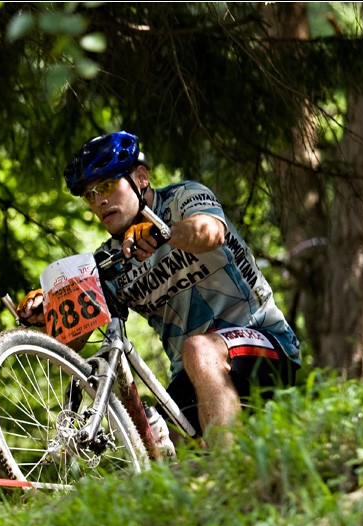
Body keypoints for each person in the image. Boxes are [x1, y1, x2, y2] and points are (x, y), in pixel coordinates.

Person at [17, 131, 301, 450]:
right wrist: (48, 311)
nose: (99, 201)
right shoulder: (108, 261)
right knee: (154, 443)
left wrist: (163, 232)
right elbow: (73, 341)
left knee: (198, 349)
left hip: (264, 342)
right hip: (193, 376)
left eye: (107, 186)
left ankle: (227, 469)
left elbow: (211, 232)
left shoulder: (183, 198)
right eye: (89, 195)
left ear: (141, 178)